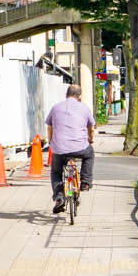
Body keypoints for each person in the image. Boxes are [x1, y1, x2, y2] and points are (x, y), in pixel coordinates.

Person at [44, 82, 95, 216]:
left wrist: (51, 141)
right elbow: (91, 128)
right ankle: (85, 182)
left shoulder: (56, 107)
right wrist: (90, 139)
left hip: (59, 148)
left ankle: (59, 196)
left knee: (56, 171)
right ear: (80, 96)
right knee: (90, 154)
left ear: (66, 94)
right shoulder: (84, 108)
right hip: (80, 147)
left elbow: (49, 127)